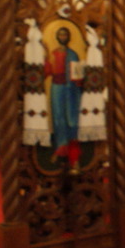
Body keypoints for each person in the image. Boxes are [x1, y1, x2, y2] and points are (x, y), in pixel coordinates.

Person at [44, 26, 83, 171]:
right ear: (57, 37)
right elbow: (47, 71)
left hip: (70, 90)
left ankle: (73, 154)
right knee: (58, 117)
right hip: (56, 88)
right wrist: (45, 60)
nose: (62, 37)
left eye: (65, 34)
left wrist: (79, 80)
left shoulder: (73, 54)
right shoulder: (53, 54)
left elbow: (79, 75)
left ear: (68, 37)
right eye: (60, 34)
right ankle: (61, 147)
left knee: (71, 118)